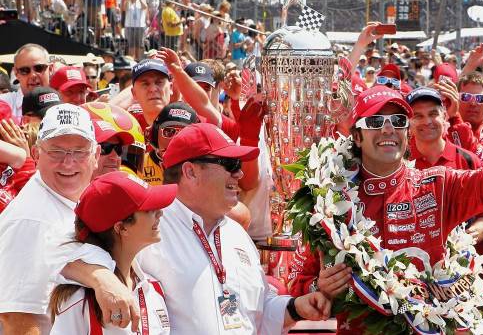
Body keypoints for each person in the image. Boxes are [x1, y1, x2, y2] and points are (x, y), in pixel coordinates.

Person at [288, 84, 483, 334]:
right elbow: (298, 283)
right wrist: (320, 288)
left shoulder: (439, 184)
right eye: (375, 121)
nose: (388, 128)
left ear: (407, 133)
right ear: (357, 137)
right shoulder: (329, 199)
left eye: (397, 120)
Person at [61, 123, 331, 334]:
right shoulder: (150, 227)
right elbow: (63, 257)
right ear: (190, 172)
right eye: (229, 165)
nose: (239, 174)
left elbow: (256, 312)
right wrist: (100, 278)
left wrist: (296, 308)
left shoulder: (237, 233)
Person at [0, 104, 99, 334]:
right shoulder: (30, 222)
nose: (68, 162)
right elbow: (18, 321)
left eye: (79, 151)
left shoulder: (63, 202)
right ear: (36, 154)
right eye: (56, 151)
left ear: (96, 155)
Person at [405, 87, 483, 312]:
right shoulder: (400, 163)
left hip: (462, 278)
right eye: (418, 115)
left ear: (445, 117)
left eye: (433, 114)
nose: (427, 121)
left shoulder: (469, 160)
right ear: (408, 123)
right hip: (411, 279)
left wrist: (459, 245)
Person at [49, 172, 176, 334]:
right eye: (149, 209)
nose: (160, 213)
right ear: (121, 228)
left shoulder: (154, 288)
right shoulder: (80, 300)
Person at [140, 102, 199, 186]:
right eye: (169, 131)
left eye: (184, 133)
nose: (175, 139)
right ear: (155, 134)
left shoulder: (201, 170)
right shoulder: (139, 165)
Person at [1, 43, 51, 121]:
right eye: (24, 70)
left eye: (39, 68)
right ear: (16, 73)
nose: (33, 75)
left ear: (50, 69)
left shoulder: (65, 103)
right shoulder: (3, 102)